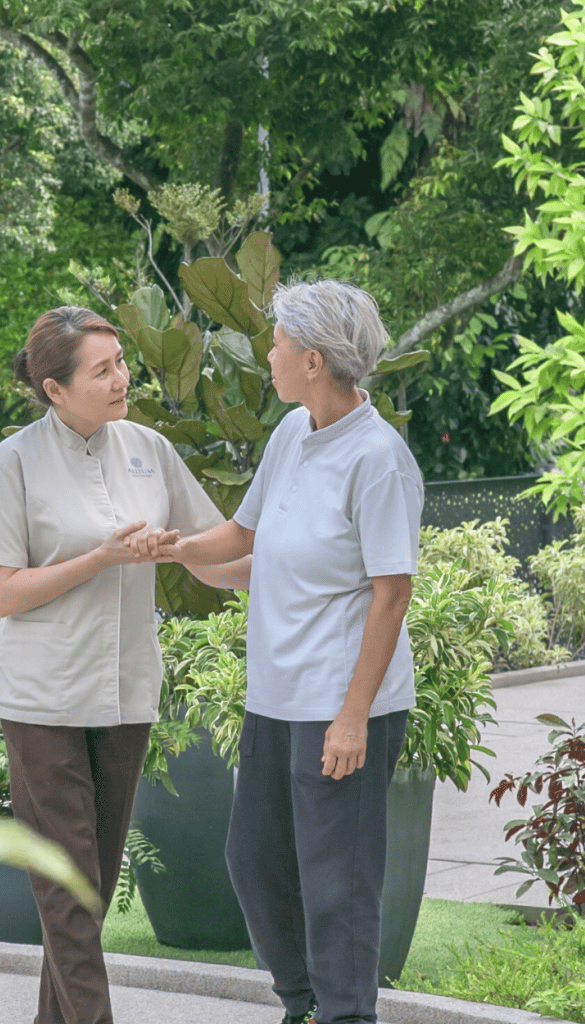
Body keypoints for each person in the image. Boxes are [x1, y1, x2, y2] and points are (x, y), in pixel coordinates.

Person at [130, 279, 423, 1024]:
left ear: (315, 359)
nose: (270, 354)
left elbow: (391, 594)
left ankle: (346, 1014)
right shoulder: (293, 433)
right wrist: (175, 547)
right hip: (276, 698)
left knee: (338, 883)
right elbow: (244, 535)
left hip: (342, 705)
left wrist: (354, 717)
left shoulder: (378, 460)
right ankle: (300, 1003)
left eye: (281, 344)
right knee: (255, 863)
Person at [0, 305, 249, 1024]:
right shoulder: (16, 462)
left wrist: (307, 562)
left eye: (122, 363)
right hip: (43, 702)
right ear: (53, 388)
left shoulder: (149, 448)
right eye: (103, 369)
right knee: (69, 894)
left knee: (85, 890)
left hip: (126, 695)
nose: (123, 378)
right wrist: (100, 558)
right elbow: (4, 594)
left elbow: (218, 554)